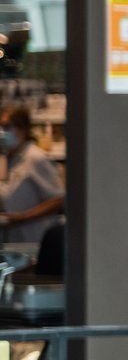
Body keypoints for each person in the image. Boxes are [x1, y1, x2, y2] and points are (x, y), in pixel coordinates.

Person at [0, 106, 63, 256]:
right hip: (11, 244)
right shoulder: (8, 159)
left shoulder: (35, 158)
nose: (2, 132)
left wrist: (23, 217)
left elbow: (58, 200)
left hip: (34, 243)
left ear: (23, 129)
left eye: (7, 126)